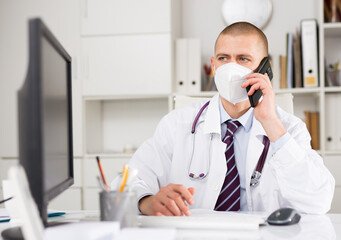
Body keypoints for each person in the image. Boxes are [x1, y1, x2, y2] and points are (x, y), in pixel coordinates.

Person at [125, 22, 335, 216]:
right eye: (223, 58)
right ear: (213, 65)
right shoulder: (176, 125)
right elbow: (128, 183)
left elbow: (319, 201)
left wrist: (271, 123)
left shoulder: (288, 128)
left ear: (264, 69)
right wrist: (148, 201)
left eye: (243, 58)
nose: (230, 68)